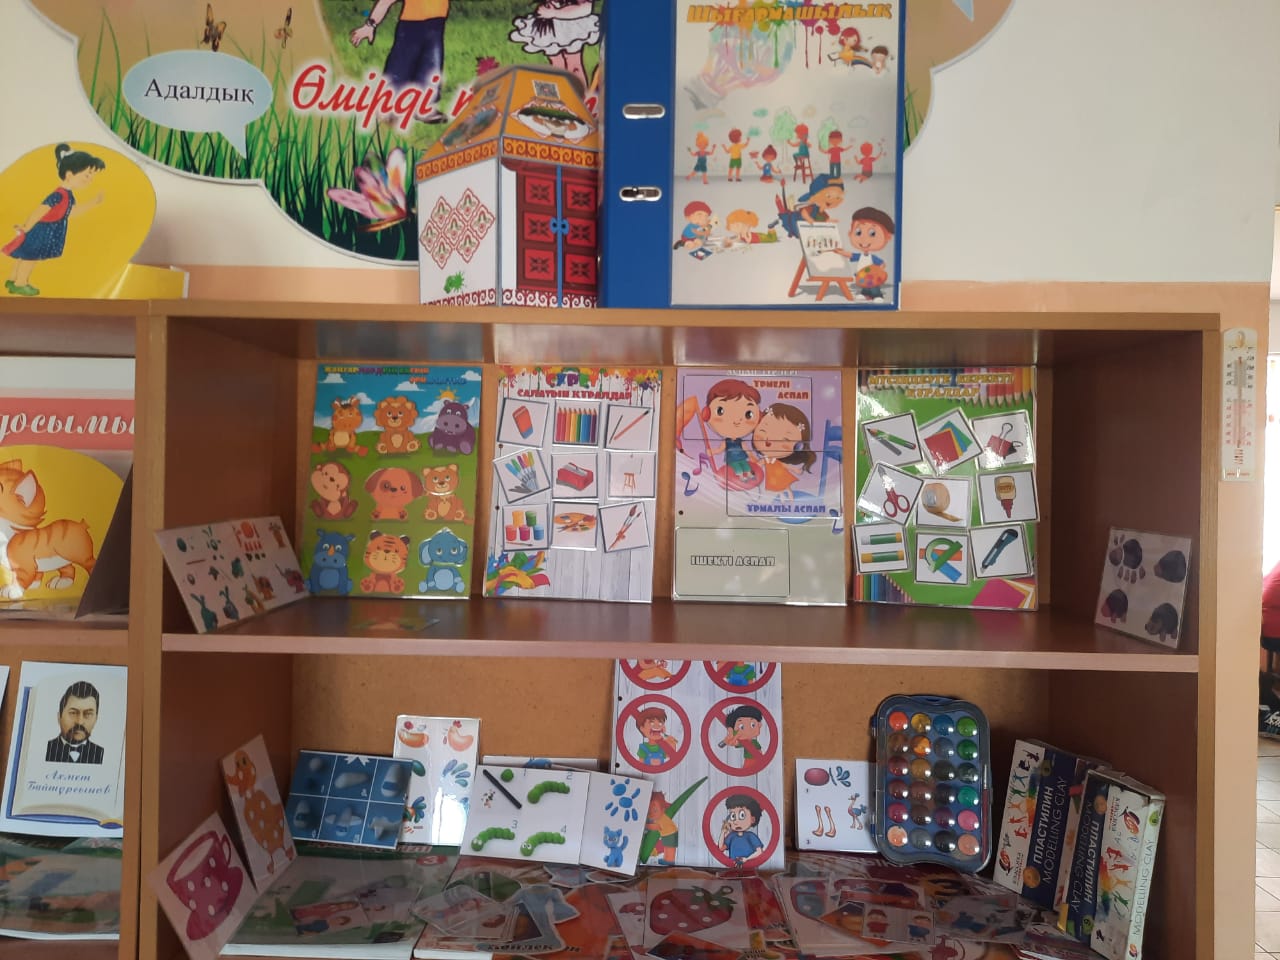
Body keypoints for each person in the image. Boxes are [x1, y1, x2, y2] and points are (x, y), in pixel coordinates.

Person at [5, 143, 105, 297]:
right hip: (41, 231)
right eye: (87, 175)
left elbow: (70, 213)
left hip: (47, 230)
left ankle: (12, 280)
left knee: (25, 255)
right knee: (30, 257)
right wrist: (27, 227)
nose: (90, 179)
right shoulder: (59, 195)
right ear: (70, 175)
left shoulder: (69, 196)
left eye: (92, 176)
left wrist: (93, 203)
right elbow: (40, 211)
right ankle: (20, 283)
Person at [350, 0, 451, 123]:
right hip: (412, 27)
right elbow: (385, 2)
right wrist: (370, 25)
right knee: (400, 65)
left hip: (436, 27)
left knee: (431, 65)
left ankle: (423, 106)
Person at [45, 681, 104, 764]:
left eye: (88, 714)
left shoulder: (101, 754)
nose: (80, 722)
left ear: (96, 719)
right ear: (59, 717)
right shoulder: (45, 750)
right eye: (73, 713)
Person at [718, 793, 765, 866]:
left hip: (749, 866)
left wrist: (746, 859)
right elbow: (721, 848)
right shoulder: (731, 836)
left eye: (742, 815)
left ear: (752, 819)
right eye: (733, 816)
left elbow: (759, 852)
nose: (736, 821)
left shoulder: (750, 836)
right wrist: (723, 832)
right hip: (732, 866)